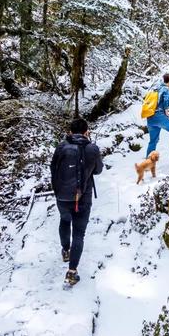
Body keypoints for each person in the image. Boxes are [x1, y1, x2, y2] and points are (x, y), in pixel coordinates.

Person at [50, 117, 103, 287]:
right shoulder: (92, 148)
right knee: (79, 234)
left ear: (70, 132)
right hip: (82, 197)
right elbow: (99, 170)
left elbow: (53, 168)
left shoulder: (61, 147)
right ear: (87, 131)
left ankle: (66, 251)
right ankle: (72, 272)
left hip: (63, 196)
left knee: (64, 221)